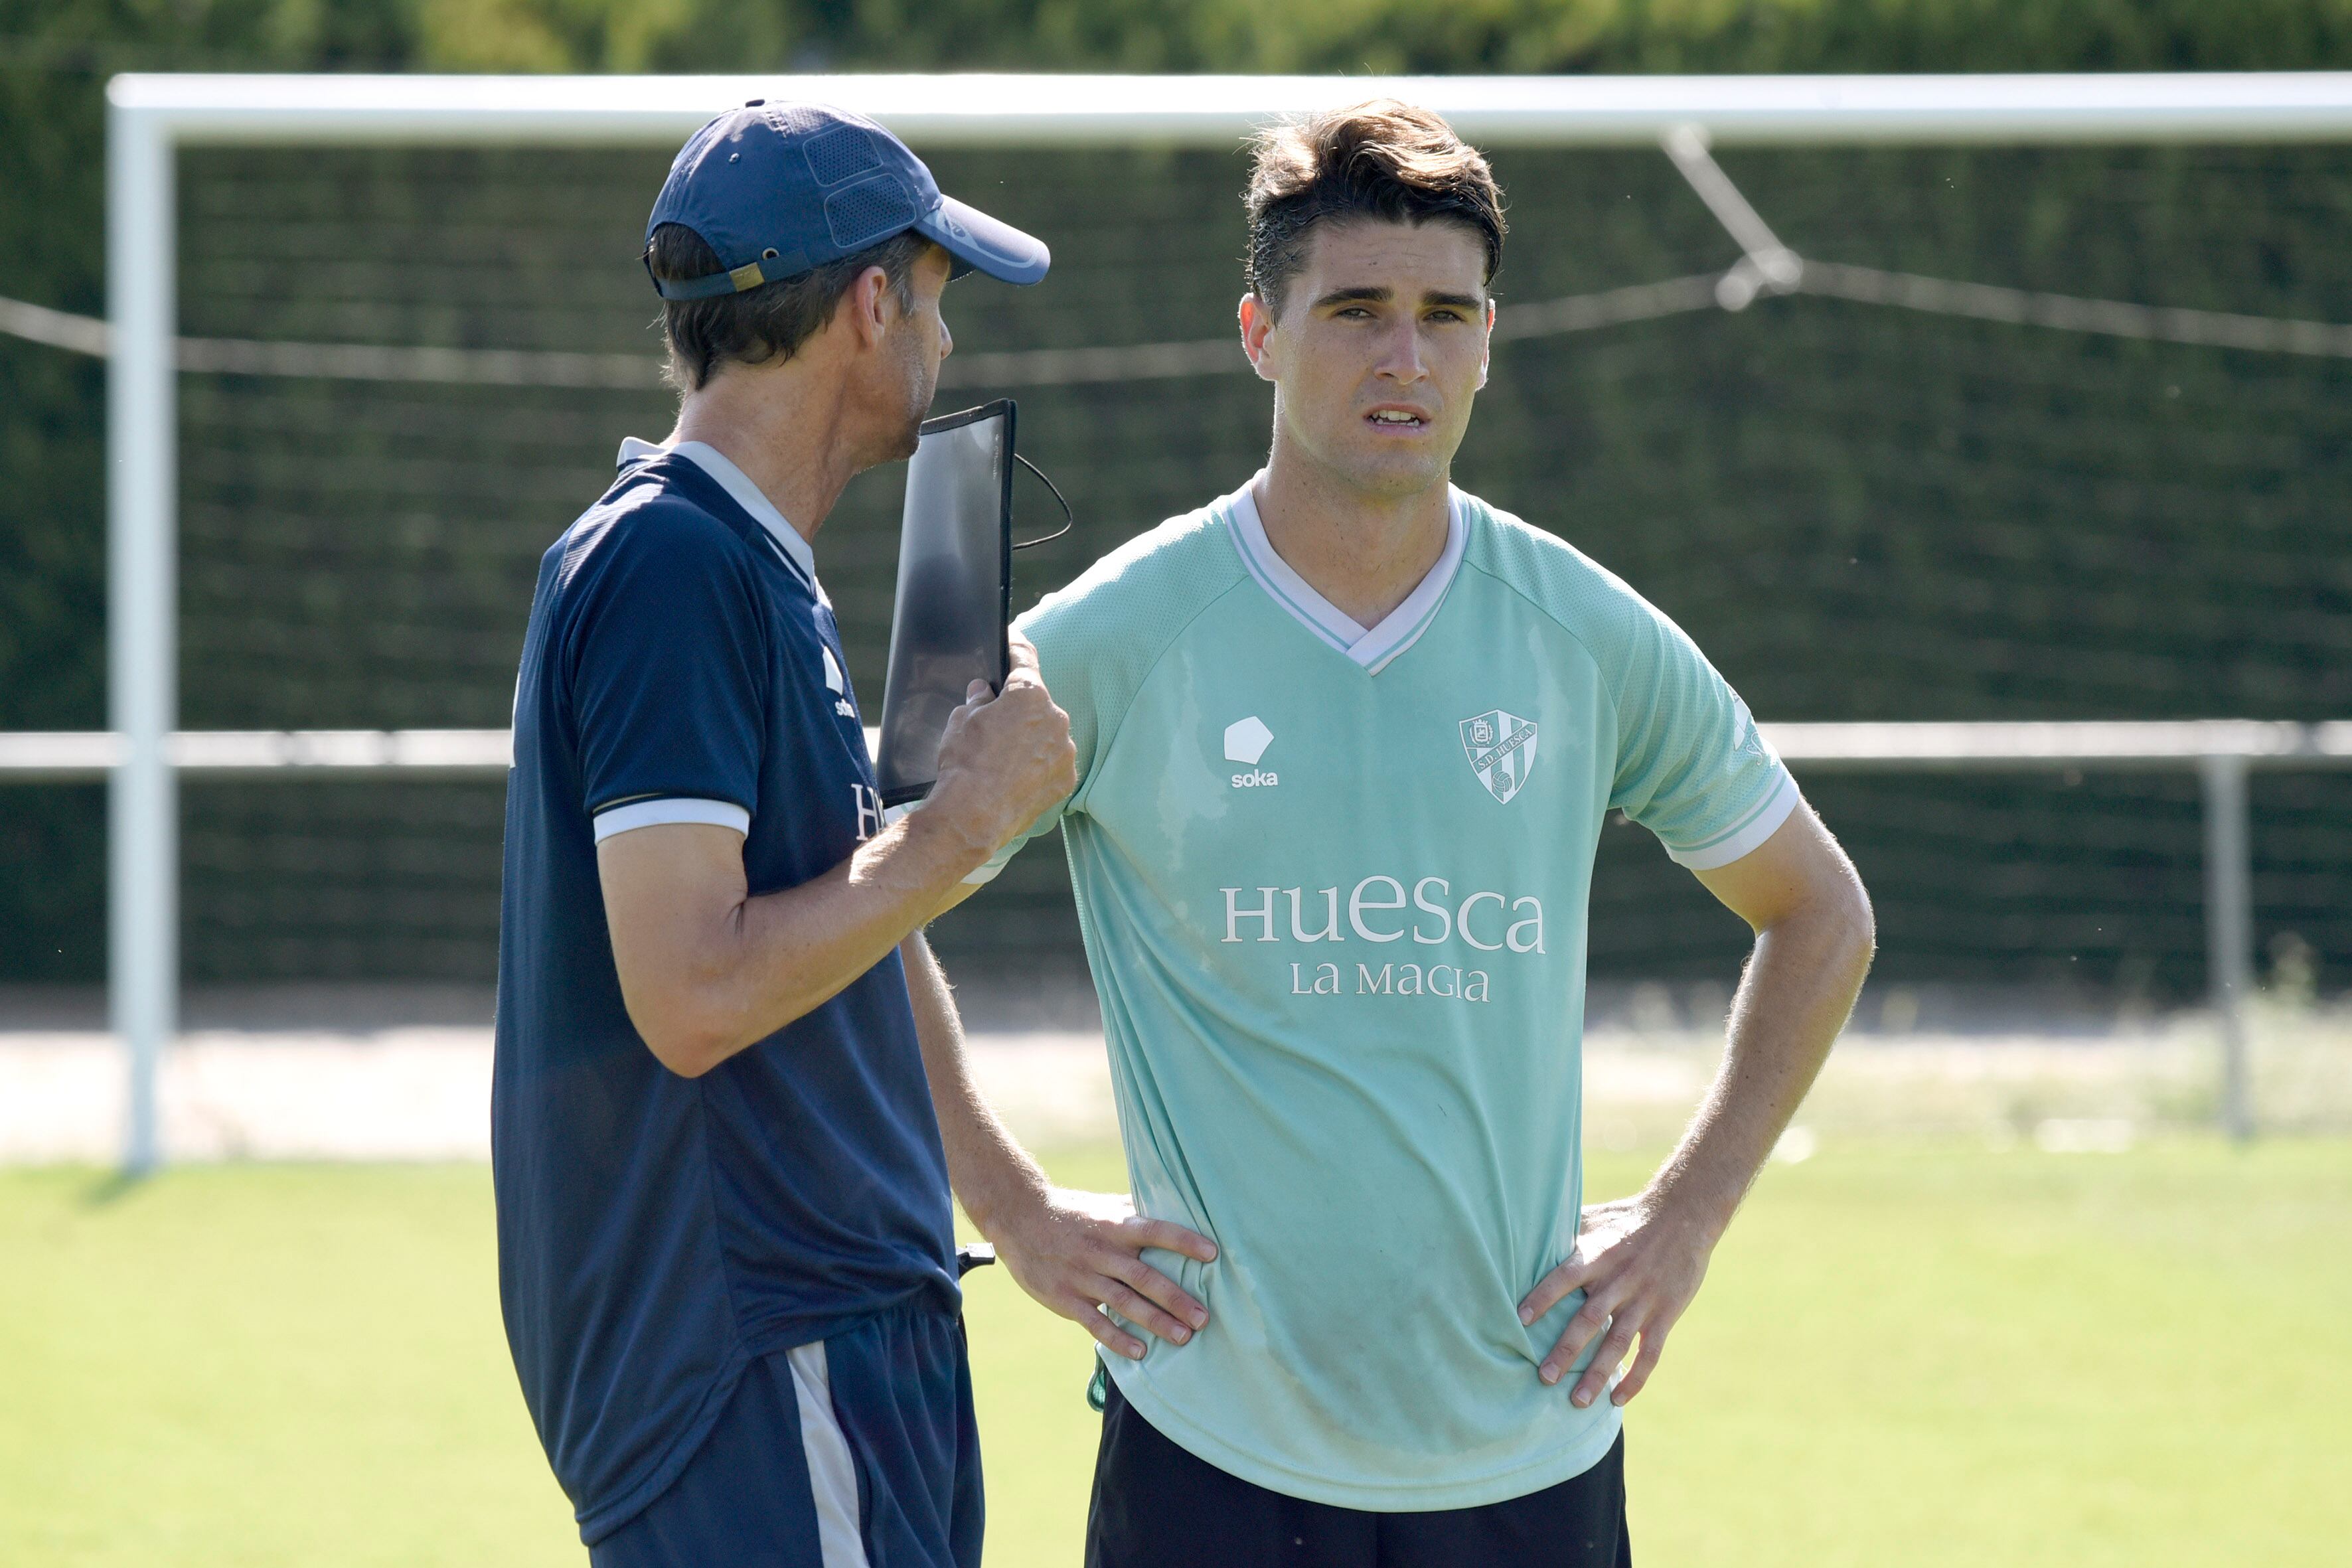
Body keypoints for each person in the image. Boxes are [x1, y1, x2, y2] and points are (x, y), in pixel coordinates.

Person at [952, 102, 1877, 1566]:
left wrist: (1685, 1215)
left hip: (1526, 1435)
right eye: (1357, 312)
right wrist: (1006, 1201)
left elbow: (1819, 910)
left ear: (1490, 339)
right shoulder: (1108, 640)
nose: (1406, 357)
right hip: (1212, 1443)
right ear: (1258, 329)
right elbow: (860, 916)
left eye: (1446, 316)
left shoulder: (1582, 632)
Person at [492, 101, 1168, 1568]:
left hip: (829, 1331)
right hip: (757, 1348)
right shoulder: (671, 558)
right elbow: (692, 991)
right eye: (936, 296)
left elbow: (842, 920)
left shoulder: (746, 560)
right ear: (871, 302)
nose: (946, 341)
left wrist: (1012, 1204)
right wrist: (957, 829)